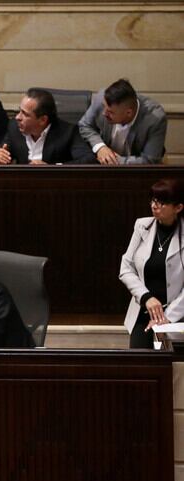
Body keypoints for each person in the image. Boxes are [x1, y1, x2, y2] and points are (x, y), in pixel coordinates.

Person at [119, 179, 184, 349]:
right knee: (140, 367)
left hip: (178, 315)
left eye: (162, 202)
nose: (155, 206)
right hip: (144, 310)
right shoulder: (142, 226)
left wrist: (166, 317)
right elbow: (126, 269)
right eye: (153, 200)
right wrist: (146, 298)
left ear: (178, 208)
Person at [0, 88, 95, 165]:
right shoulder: (14, 127)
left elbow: (89, 160)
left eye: (25, 114)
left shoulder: (68, 132)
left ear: (43, 120)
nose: (18, 117)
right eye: (19, 111)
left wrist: (51, 169)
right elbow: (2, 153)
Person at [79, 78, 167, 165]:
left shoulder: (155, 119)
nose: (103, 113)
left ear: (128, 113)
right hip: (101, 165)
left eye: (110, 112)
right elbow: (85, 125)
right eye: (104, 107)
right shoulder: (102, 98)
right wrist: (100, 147)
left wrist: (113, 160)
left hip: (136, 171)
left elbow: (150, 160)